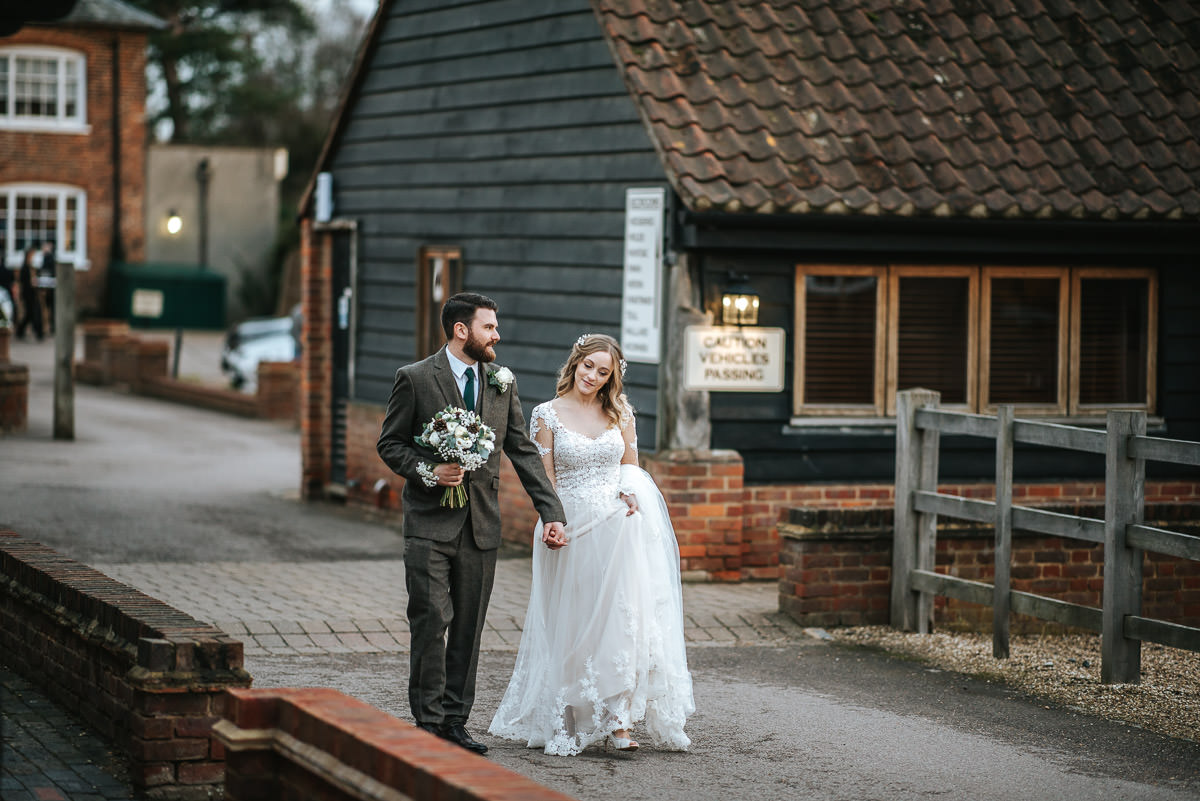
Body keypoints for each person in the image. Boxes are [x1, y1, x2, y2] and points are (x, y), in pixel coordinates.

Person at [377, 292, 567, 756]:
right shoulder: (416, 378)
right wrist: (430, 471)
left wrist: (552, 512)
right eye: (489, 327)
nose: (496, 335)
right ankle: (429, 721)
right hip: (428, 525)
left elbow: (521, 449)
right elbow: (391, 444)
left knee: (469, 628)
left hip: (481, 526)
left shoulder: (502, 382)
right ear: (461, 330)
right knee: (430, 621)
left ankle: (456, 720)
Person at [489, 333, 694, 756]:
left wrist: (630, 492)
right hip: (569, 528)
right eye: (589, 366)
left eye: (604, 372)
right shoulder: (547, 415)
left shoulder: (620, 413)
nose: (594, 377)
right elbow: (543, 479)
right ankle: (568, 716)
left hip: (618, 529)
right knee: (573, 622)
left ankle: (619, 723)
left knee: (621, 621)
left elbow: (630, 469)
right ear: (575, 363)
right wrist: (551, 521)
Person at [15, 246, 44, 341]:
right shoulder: (25, 268)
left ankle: (22, 331)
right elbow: (23, 282)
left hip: (32, 293)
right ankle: (37, 332)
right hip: (27, 293)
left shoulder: (31, 267)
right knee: (31, 313)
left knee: (31, 313)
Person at [39, 241, 56, 333]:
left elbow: (45, 273)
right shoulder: (50, 259)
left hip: (49, 288)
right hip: (50, 288)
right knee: (51, 309)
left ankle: (50, 327)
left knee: (48, 309)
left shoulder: (48, 259)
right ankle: (52, 327)